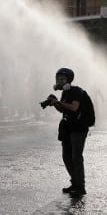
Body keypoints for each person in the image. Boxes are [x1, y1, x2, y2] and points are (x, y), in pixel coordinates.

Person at [48, 68, 89, 196]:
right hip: (68, 128)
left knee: (76, 157)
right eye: (57, 78)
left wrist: (58, 102)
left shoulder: (75, 91)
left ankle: (80, 187)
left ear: (69, 80)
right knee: (66, 157)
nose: (59, 81)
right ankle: (75, 182)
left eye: (62, 79)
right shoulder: (65, 93)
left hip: (79, 128)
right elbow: (64, 110)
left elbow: (74, 107)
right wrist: (54, 103)